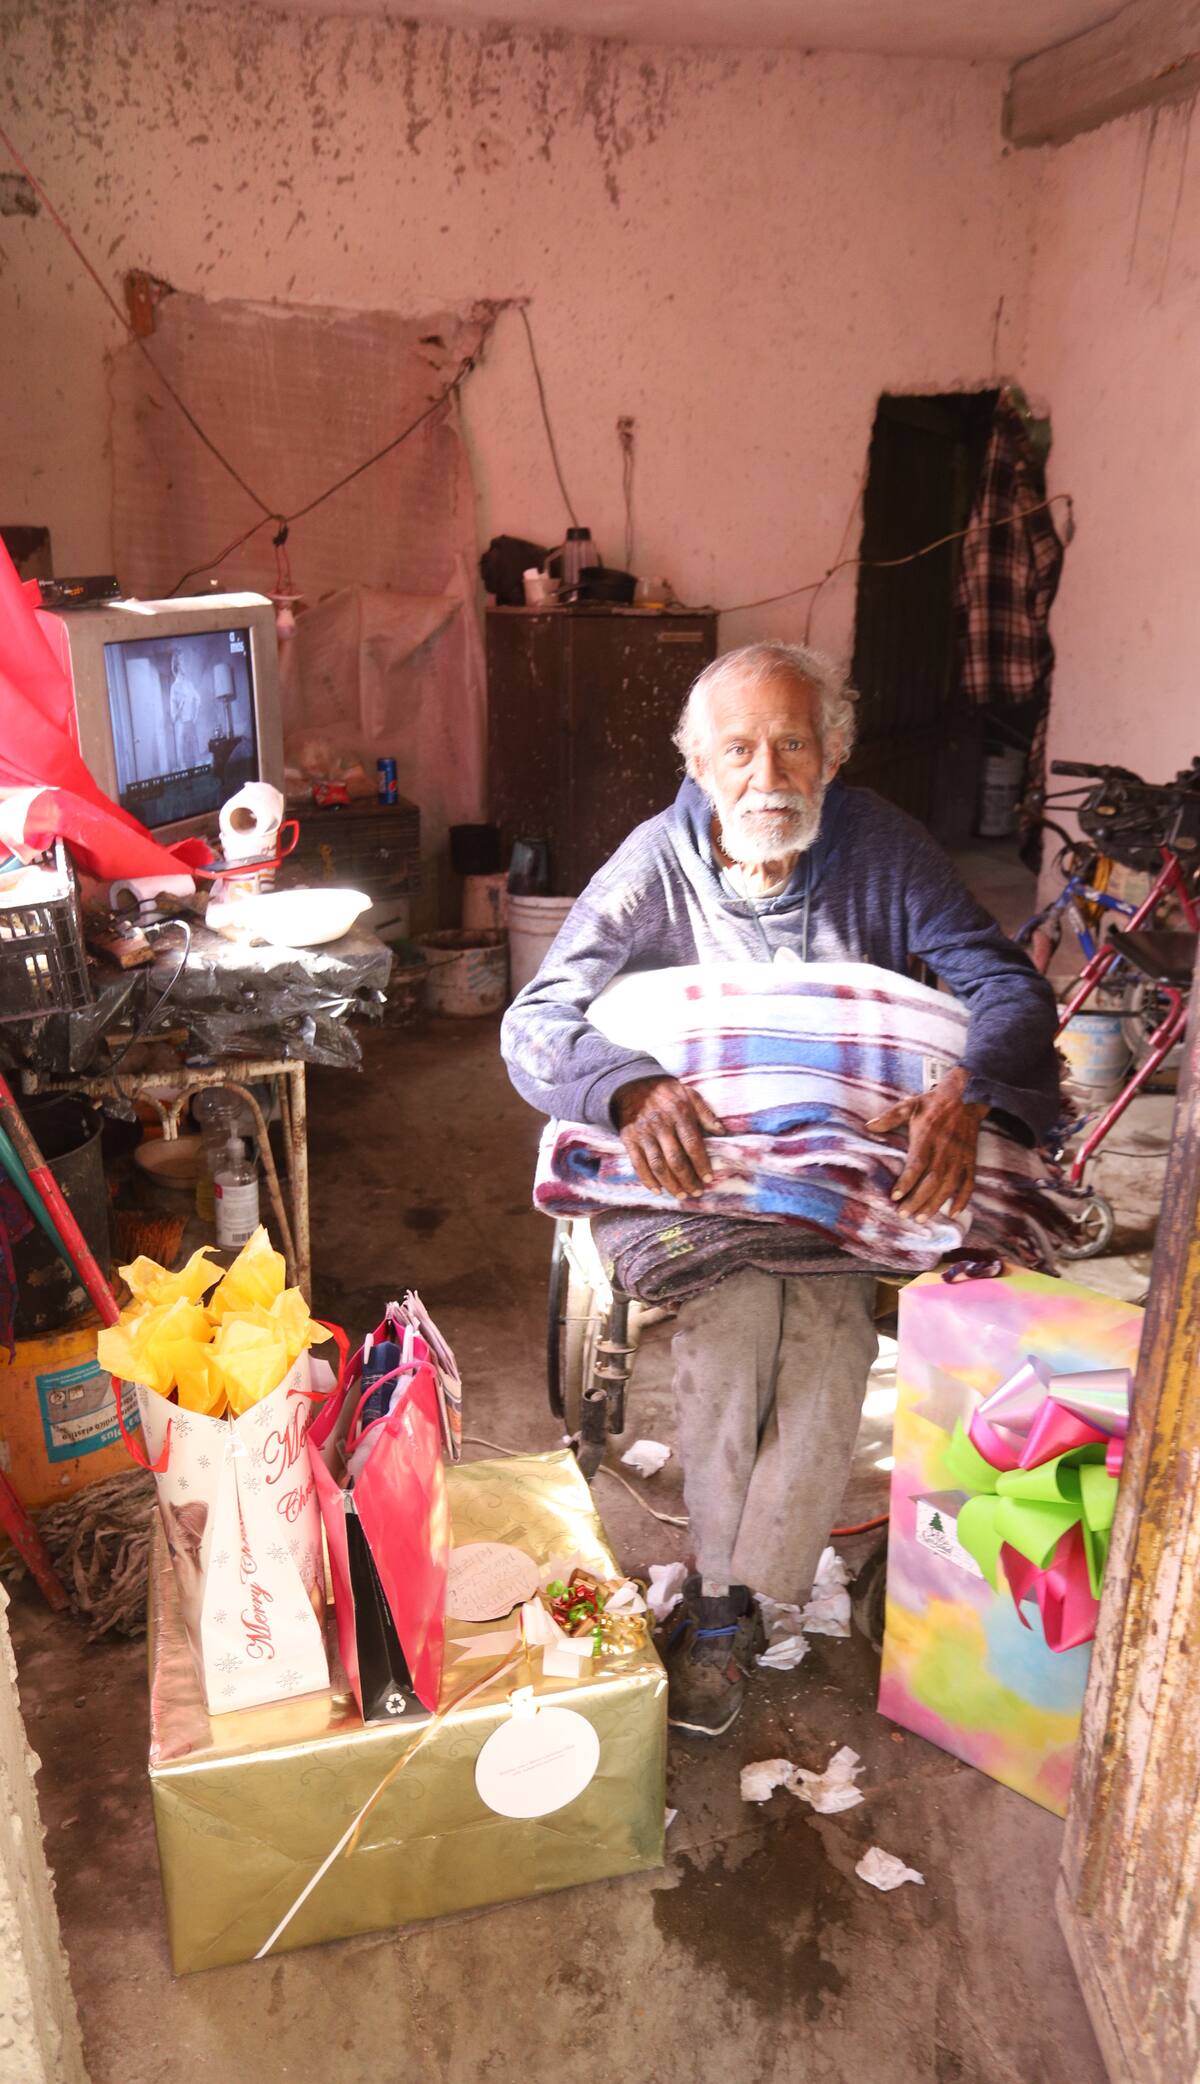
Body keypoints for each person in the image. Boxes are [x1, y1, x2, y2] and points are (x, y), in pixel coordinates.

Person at [501, 641, 1059, 1737]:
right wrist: (625, 1086)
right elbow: (538, 1017)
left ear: (834, 752)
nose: (768, 776)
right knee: (734, 1317)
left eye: (793, 744)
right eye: (740, 751)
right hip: (706, 1180)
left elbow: (1004, 984)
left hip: (840, 1174)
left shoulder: (883, 847)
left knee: (830, 1332)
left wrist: (972, 1087)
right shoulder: (654, 861)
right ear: (698, 764)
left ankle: (737, 1600)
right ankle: (732, 1596)